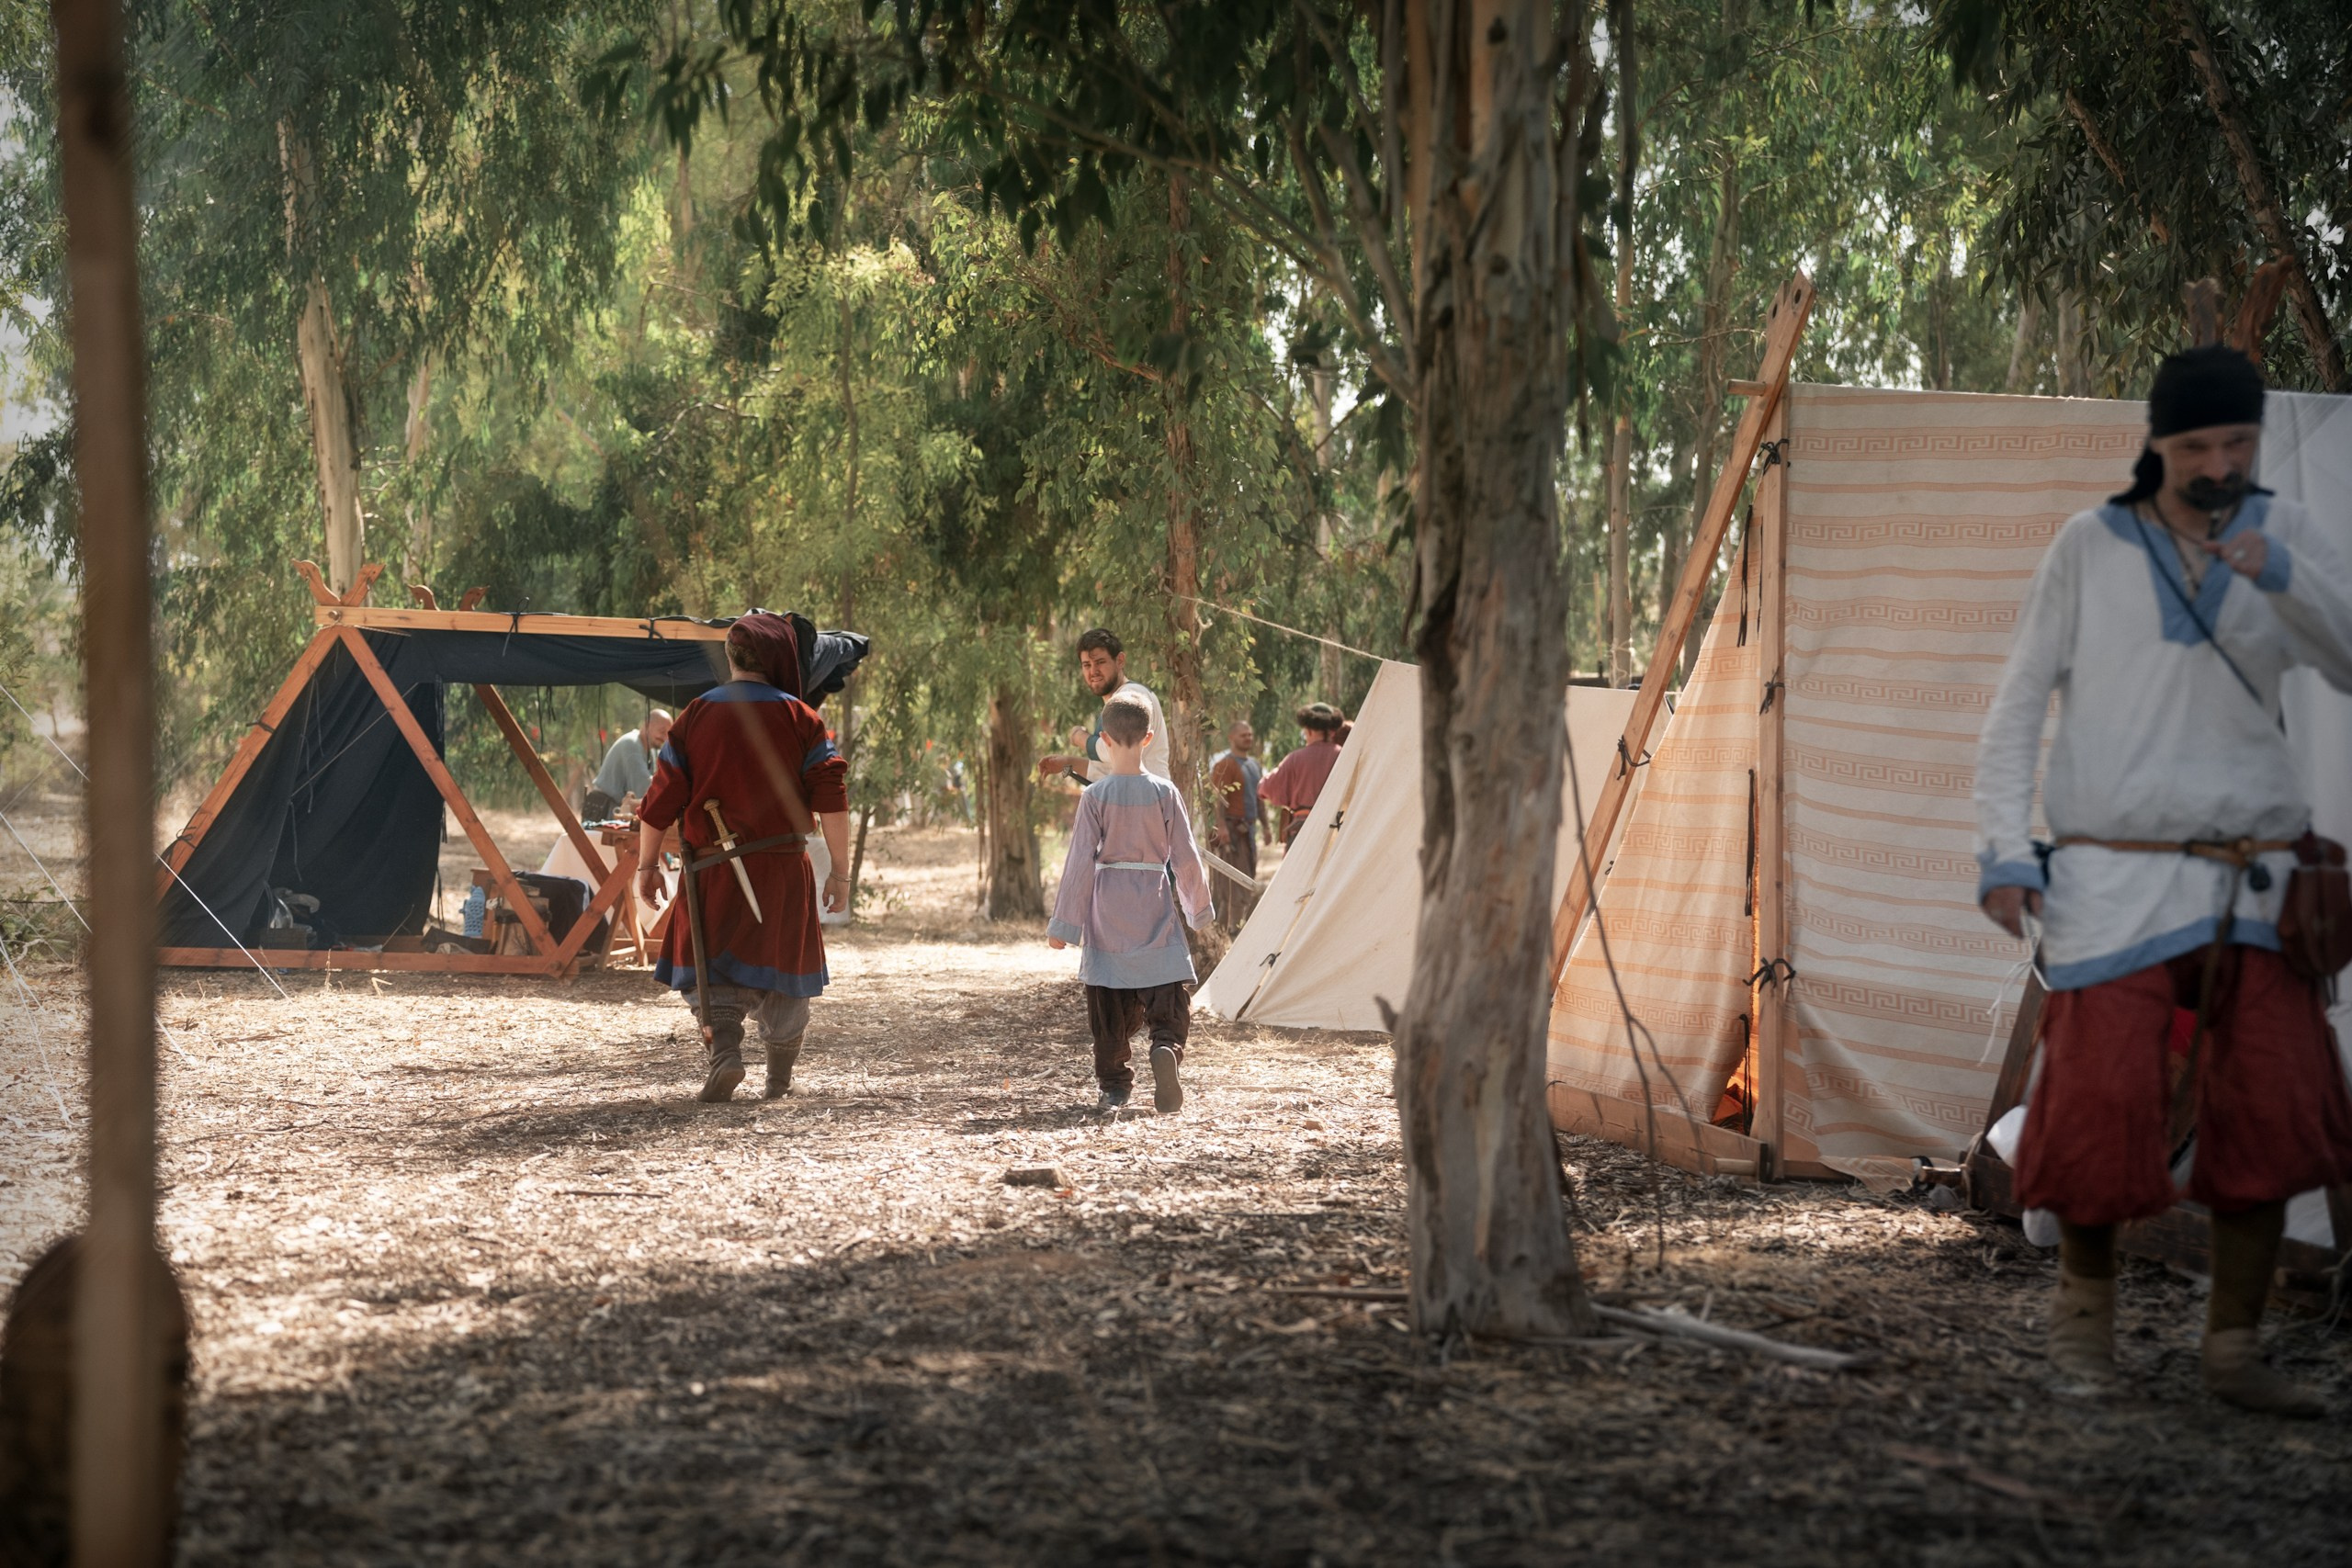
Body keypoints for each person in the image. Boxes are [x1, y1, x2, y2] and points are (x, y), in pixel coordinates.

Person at [1974, 344, 2352, 1416]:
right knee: (2093, 1112)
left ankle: (2229, 1353)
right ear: (2156, 445)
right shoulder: (2087, 547)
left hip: (2255, 879)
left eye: (2237, 441)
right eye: (2198, 445)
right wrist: (2003, 848)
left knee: (2272, 1112)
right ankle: (2083, 1342)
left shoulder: (2281, 533)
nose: (2220, 462)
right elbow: (2015, 708)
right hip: (2112, 879)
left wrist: (2281, 579)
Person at [637, 614, 852, 1102]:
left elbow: (660, 800)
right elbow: (832, 798)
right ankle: (779, 1078)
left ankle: (726, 1053)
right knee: (785, 976)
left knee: (714, 970)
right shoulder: (802, 717)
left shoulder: (695, 715)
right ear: (779, 660)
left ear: (730, 658)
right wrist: (840, 872)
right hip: (782, 870)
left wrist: (646, 868)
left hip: (711, 872)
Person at [1047, 694, 1215, 1113]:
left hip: (1107, 908)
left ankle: (1115, 1086)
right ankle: (1166, 1047)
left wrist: (1063, 928)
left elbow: (1079, 865)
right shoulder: (1165, 792)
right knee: (1167, 991)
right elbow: (1186, 857)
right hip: (1153, 901)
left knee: (1107, 1003)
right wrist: (1198, 911)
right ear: (1148, 737)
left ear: (1103, 739)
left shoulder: (1095, 796)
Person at [1037, 627, 1171, 783]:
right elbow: (1109, 770)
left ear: (1120, 660)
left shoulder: (1131, 696)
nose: (1093, 671)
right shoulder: (1115, 701)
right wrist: (1067, 764)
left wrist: (1079, 737)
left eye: (1100, 662)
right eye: (1087, 665)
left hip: (1148, 801)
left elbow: (1114, 748)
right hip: (1132, 799)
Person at [1258, 702, 1345, 846]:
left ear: (1309, 731)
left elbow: (1265, 788)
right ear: (1332, 731)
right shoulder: (1345, 755)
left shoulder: (1295, 759)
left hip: (1302, 832)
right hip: (1337, 831)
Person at [583, 708, 673, 823]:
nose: (665, 738)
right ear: (646, 725)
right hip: (604, 813)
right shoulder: (631, 744)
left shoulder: (652, 751)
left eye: (668, 734)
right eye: (662, 731)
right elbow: (644, 790)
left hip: (618, 811)